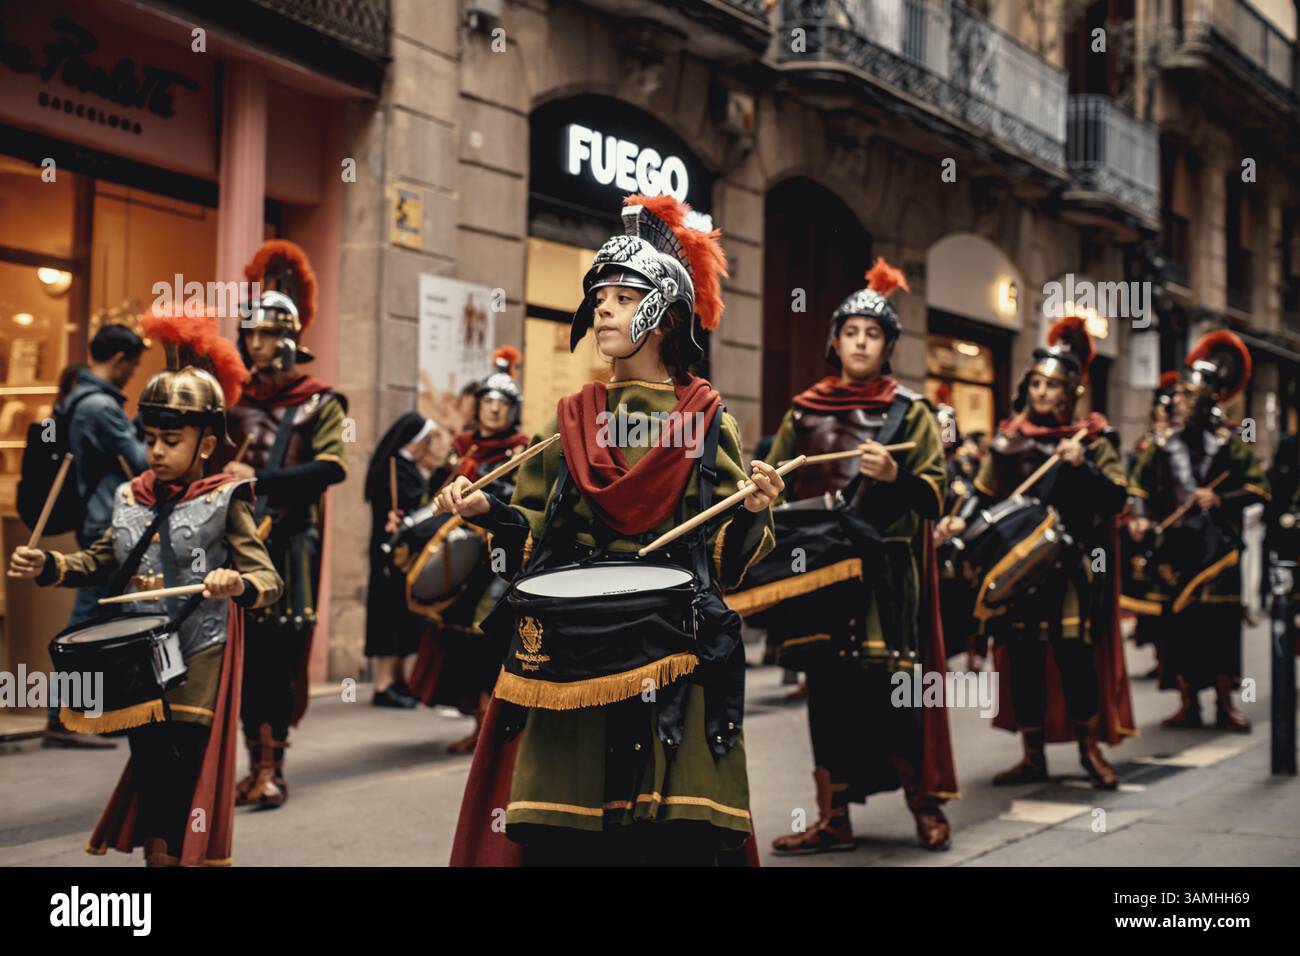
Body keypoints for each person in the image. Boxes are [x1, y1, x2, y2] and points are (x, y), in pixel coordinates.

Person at [441, 194, 779, 866]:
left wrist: (753, 510)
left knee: (665, 843)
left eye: (623, 296)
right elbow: (533, 537)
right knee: (570, 841)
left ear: (663, 313)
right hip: (576, 650)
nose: (602, 307)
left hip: (675, 648)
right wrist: (492, 515)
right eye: (599, 295)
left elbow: (730, 565)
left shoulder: (712, 423)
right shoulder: (566, 419)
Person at [8, 310, 282, 866]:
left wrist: (236, 581)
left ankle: (173, 857)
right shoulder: (130, 495)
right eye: (150, 437)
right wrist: (48, 565)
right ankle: (159, 857)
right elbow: (101, 559)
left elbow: (267, 580)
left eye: (170, 440)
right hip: (139, 656)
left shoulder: (227, 498)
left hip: (199, 651)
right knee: (152, 762)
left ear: (206, 444)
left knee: (182, 764)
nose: (155, 451)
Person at [763, 258, 957, 854]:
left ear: (888, 345)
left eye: (873, 334)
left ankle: (924, 807)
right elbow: (776, 487)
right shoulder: (804, 410)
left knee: (897, 693)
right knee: (829, 695)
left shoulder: (911, 411)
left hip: (887, 575)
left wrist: (897, 474)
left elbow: (936, 494)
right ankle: (835, 817)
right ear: (835, 341)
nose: (861, 342)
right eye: (852, 332)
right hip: (820, 569)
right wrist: (760, 486)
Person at [938, 315, 1134, 789]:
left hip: (1069, 567)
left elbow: (1117, 500)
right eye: (1037, 384)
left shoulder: (1092, 439)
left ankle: (1090, 752)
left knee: (1073, 658)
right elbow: (982, 494)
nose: (1043, 393)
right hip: (1017, 567)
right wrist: (959, 516)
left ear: (1070, 393)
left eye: (1053, 386)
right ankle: (1033, 756)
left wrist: (1082, 465)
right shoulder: (1008, 441)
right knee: (1023, 659)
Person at [214, 239, 348, 809]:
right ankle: (249, 764)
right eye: (251, 333)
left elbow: (331, 467)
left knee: (278, 658)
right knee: (241, 655)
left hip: (290, 545)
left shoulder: (322, 402)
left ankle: (273, 768)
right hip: (237, 545)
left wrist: (261, 481)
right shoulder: (234, 401)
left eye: (267, 334)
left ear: (291, 340)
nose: (256, 343)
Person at [1128, 331, 1269, 731]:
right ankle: (1189, 703)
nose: (1178, 402)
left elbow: (1260, 488)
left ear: (1206, 399)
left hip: (1218, 550)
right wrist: (1140, 516)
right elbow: (1137, 485)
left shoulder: (1232, 443)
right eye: (1178, 395)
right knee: (1180, 630)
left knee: (1220, 628)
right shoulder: (1162, 443)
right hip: (1176, 548)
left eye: (1187, 396)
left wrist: (1221, 499)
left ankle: (1225, 704)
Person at [406, 347, 531, 751]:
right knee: (457, 642)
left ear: (513, 411)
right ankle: (478, 724)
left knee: (488, 640)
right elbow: (435, 492)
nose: (494, 410)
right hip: (461, 559)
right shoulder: (463, 449)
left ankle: (492, 728)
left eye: (502, 404)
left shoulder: (520, 452)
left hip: (496, 562)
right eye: (488, 402)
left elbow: (521, 504)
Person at [42, 326, 149, 748]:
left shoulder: (82, 400)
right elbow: (141, 459)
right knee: (88, 618)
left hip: (97, 516)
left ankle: (91, 712)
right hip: (105, 520)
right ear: (120, 359)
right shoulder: (101, 406)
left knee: (103, 616)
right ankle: (63, 716)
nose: (132, 374)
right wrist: (147, 426)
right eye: (134, 365)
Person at [364, 412, 438, 708]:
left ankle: (397, 680)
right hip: (391, 556)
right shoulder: (397, 468)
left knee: (399, 616)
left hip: (397, 555)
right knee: (388, 616)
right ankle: (383, 685)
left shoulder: (397, 465)